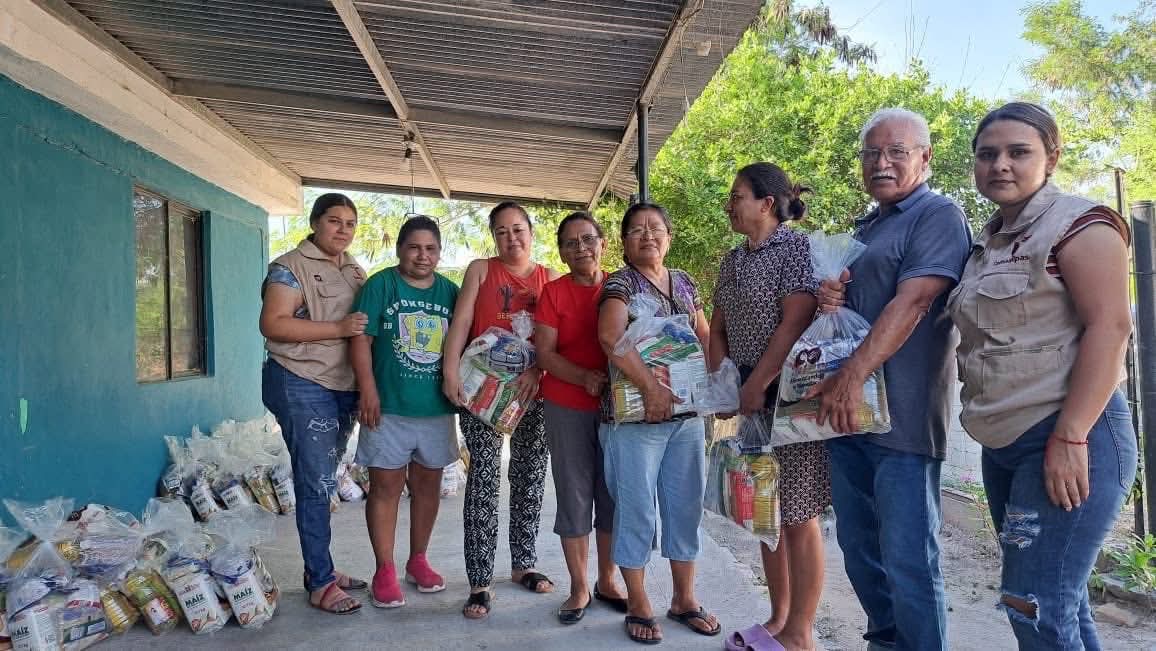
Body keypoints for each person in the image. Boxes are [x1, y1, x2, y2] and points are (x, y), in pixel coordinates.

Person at [947, 102, 1137, 649]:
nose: (1000, 165)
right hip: (1004, 444)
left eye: (1018, 152)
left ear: (1051, 158)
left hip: (1068, 435)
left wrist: (1071, 436)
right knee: (1056, 601)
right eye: (987, 155)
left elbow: (1110, 328)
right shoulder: (986, 244)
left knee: (1031, 603)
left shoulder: (1080, 224)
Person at [809, 108, 972, 650]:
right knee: (860, 552)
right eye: (871, 153)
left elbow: (915, 302)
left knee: (909, 561)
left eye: (896, 152)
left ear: (925, 157)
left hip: (902, 420)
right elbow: (857, 311)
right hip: (849, 417)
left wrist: (851, 377)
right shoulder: (867, 226)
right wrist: (833, 297)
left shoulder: (937, 215)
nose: (881, 162)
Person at [710, 163, 826, 651]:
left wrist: (758, 383)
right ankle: (778, 617)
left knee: (799, 514)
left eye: (738, 196)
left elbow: (794, 323)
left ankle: (801, 631)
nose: (730, 205)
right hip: (748, 398)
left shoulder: (795, 249)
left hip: (791, 395)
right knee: (765, 508)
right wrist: (724, 386)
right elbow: (717, 328)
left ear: (767, 203)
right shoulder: (733, 260)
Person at [597, 202, 721, 645]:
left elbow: (704, 336)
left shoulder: (684, 281)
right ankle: (638, 601)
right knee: (637, 510)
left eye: (655, 229)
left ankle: (684, 599)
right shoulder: (620, 283)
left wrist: (719, 388)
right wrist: (651, 388)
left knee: (684, 507)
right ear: (625, 242)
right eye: (637, 230)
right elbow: (610, 336)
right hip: (635, 419)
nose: (647, 236)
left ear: (669, 237)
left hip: (686, 417)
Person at [442, 201, 561, 619]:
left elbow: (555, 338)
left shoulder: (549, 277)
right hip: (482, 390)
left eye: (518, 229)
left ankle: (523, 564)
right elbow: (461, 322)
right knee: (484, 478)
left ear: (531, 232)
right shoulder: (480, 270)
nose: (512, 238)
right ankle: (479, 582)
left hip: (534, 391)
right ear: (494, 237)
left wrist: (538, 372)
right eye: (502, 232)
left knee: (530, 474)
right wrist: (450, 372)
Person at [259, 192, 369, 615]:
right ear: (315, 223)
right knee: (315, 483)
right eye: (334, 221)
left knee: (324, 480)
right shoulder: (290, 267)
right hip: (302, 380)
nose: (343, 229)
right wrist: (339, 328)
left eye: (350, 223)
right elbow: (273, 323)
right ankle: (321, 583)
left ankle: (320, 570)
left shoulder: (353, 269)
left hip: (341, 385)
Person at [350, 215, 460, 609]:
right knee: (386, 488)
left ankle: (418, 560)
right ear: (400, 249)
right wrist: (367, 389)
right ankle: (384, 569)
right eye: (414, 247)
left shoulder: (451, 292)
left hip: (436, 409)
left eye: (430, 248)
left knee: (428, 488)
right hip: (388, 408)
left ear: (439, 253)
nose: (422, 255)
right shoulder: (380, 285)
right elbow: (360, 340)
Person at [534, 211, 628, 625]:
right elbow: (545, 353)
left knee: (612, 495)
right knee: (574, 496)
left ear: (603, 244)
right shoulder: (553, 293)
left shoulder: (620, 286)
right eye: (570, 243)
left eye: (588, 239)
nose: (581, 248)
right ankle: (579, 588)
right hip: (566, 405)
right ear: (561, 252)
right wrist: (584, 378)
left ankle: (607, 581)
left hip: (617, 409)